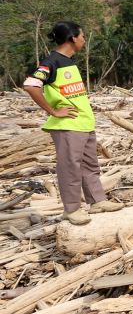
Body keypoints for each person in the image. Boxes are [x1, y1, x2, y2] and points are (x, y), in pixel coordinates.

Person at [22, 21, 121, 225]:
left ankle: (97, 201)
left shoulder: (69, 62)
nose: (84, 40)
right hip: (67, 125)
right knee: (70, 167)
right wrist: (53, 111)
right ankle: (72, 209)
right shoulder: (52, 62)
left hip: (84, 123)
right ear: (73, 38)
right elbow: (31, 85)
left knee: (90, 166)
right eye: (82, 36)